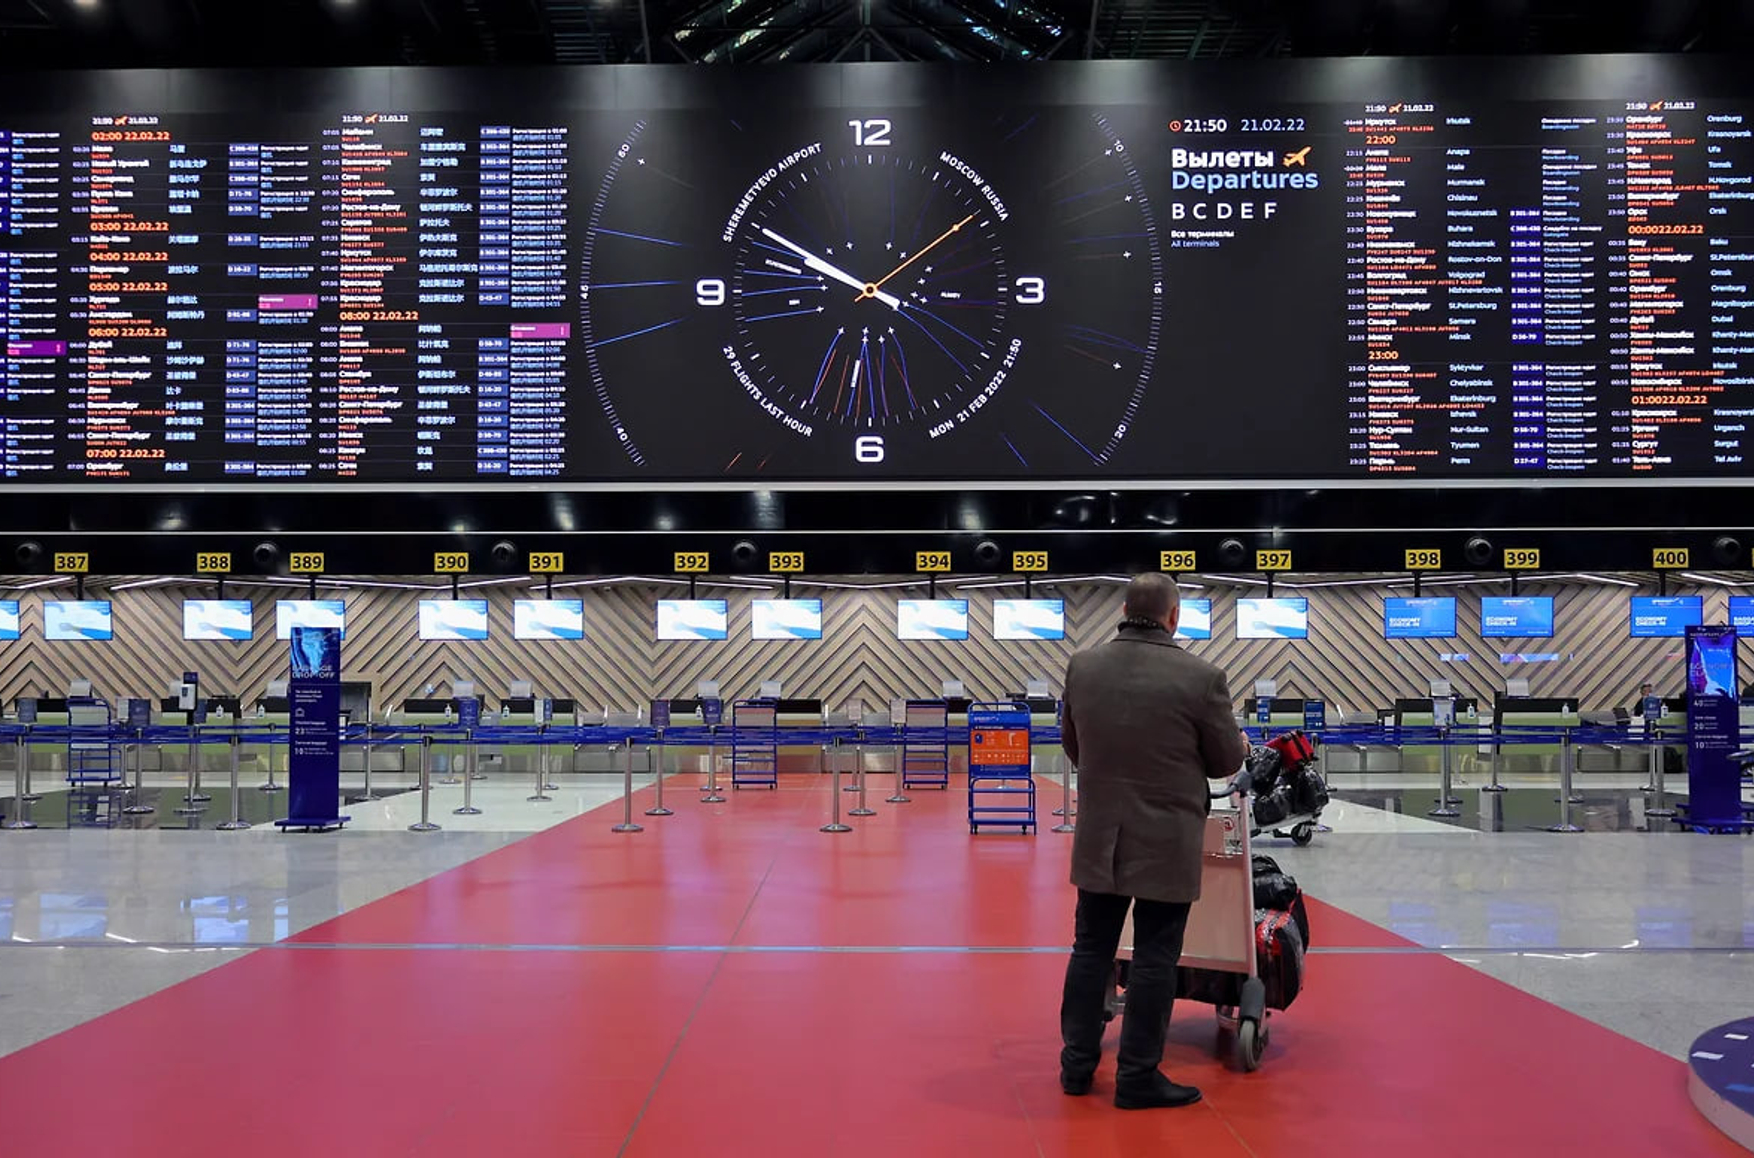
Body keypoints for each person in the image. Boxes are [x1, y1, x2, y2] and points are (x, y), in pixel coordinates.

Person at [1057, 572, 1250, 1110]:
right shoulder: (1202, 678)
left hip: (1100, 837)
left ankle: (1076, 1068)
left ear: (1123, 610)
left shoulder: (1083, 667)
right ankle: (1137, 1077)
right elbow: (1225, 762)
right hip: (1167, 840)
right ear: (1174, 617)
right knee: (1154, 958)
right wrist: (1235, 744)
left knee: (1090, 950)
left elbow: (1074, 745)